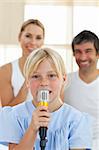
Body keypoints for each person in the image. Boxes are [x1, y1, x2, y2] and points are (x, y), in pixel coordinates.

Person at [0, 48, 93, 150]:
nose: (44, 82)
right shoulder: (15, 116)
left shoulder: (76, 120)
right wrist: (32, 129)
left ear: (63, 79)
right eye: (36, 76)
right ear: (27, 82)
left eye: (51, 75)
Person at [64, 30, 99, 149]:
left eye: (88, 51)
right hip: (72, 144)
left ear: (97, 54)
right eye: (78, 52)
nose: (83, 57)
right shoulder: (64, 82)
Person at [0, 19, 45, 106]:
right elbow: (7, 112)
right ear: (19, 37)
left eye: (38, 38)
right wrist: (28, 81)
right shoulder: (5, 71)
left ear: (43, 41)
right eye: (28, 36)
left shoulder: (51, 69)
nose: (33, 42)